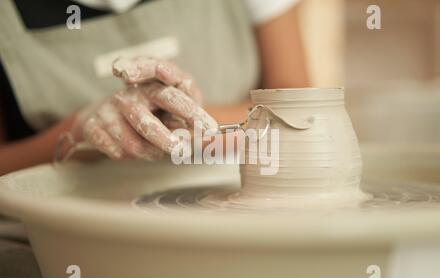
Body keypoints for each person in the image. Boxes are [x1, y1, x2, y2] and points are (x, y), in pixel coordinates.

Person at [0, 0, 309, 176]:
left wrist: (181, 120)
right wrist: (79, 132)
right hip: (60, 232)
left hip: (234, 201)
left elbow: (300, 111)